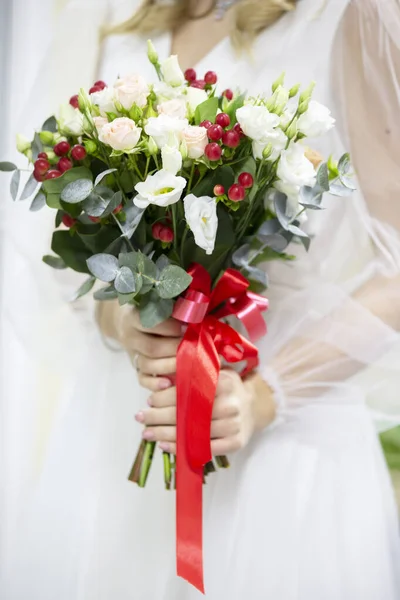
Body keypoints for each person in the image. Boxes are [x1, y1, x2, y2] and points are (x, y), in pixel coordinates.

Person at [2, 1, 400, 599]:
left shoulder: (343, 15)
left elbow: (396, 267)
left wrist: (267, 396)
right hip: (125, 421)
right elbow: (61, 231)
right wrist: (120, 315)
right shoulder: (131, 17)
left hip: (274, 439)